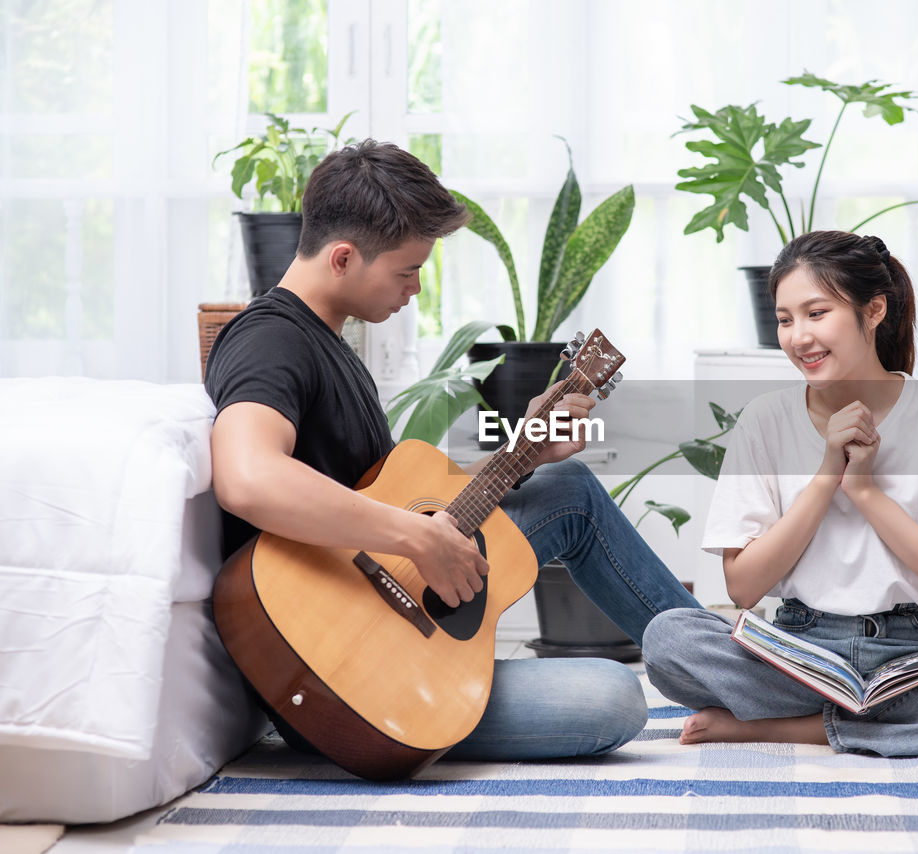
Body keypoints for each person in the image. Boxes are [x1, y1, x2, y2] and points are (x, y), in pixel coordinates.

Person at [204, 139, 699, 762]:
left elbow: (375, 504)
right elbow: (248, 478)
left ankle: (728, 669)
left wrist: (525, 452)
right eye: (406, 271)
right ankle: (739, 676)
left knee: (566, 488)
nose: (414, 288)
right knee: (613, 697)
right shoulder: (271, 339)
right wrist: (416, 538)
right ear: (342, 258)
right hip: (333, 675)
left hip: (371, 606)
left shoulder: (329, 343)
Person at [642, 230, 918, 755]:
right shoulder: (765, 419)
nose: (798, 336)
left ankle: (789, 728)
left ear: (873, 309)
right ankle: (869, 723)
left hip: (914, 653)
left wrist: (865, 493)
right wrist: (827, 475)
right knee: (670, 638)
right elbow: (743, 587)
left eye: (817, 313)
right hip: (796, 650)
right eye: (785, 319)